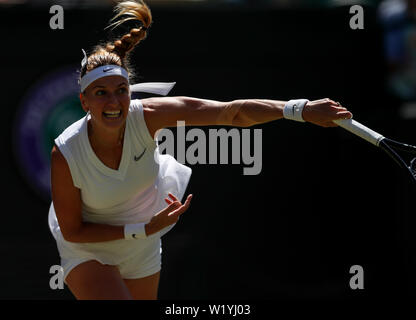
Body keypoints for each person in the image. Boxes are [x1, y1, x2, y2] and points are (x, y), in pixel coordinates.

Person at [48, 0, 352, 300]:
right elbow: (74, 231)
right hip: (90, 249)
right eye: (101, 94)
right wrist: (143, 227)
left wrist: (300, 110)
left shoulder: (150, 115)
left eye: (121, 91)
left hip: (142, 246)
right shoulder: (66, 152)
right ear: (84, 101)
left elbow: (229, 113)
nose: (113, 102)